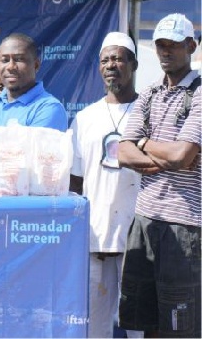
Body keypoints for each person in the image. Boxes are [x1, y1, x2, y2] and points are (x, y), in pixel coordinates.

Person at [117, 13, 200, 338]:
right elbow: (122, 152)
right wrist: (149, 150)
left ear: (191, 46)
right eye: (161, 45)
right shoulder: (150, 93)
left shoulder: (200, 93)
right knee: (146, 319)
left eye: (174, 46)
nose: (166, 52)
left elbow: (183, 156)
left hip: (185, 227)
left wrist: (144, 143)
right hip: (145, 219)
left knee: (181, 326)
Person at [69, 32, 143, 338]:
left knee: (139, 325)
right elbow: (75, 181)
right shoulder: (85, 118)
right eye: (105, 60)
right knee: (94, 328)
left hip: (138, 239)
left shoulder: (148, 112)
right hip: (94, 239)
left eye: (118, 58)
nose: (111, 65)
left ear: (134, 64)